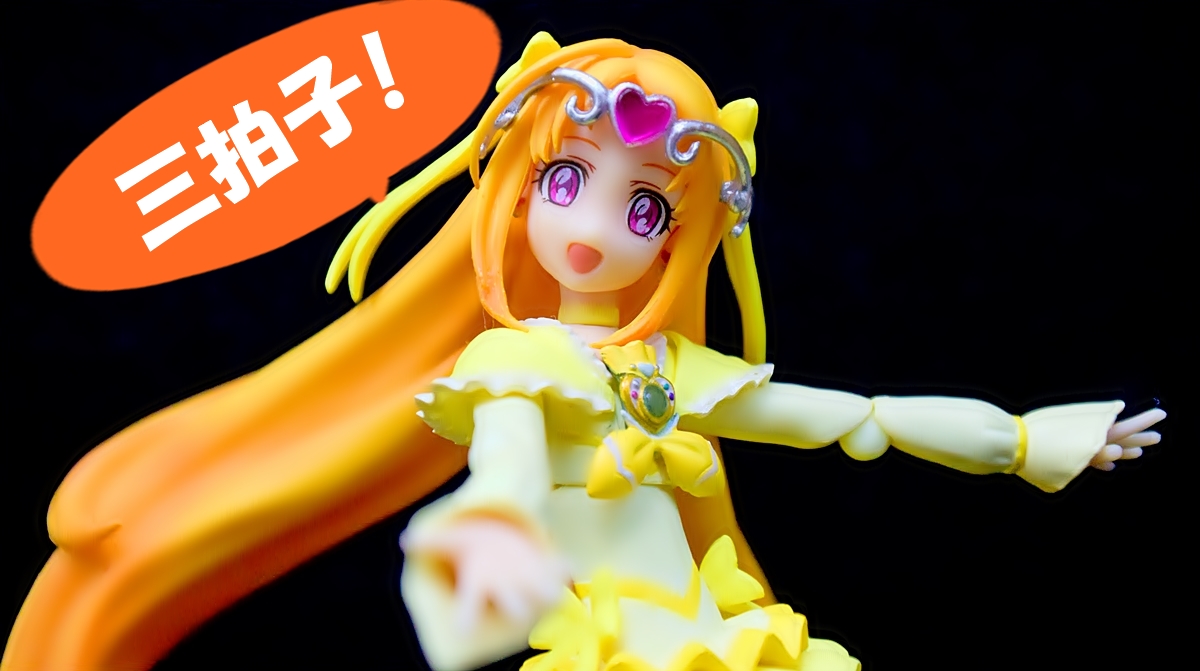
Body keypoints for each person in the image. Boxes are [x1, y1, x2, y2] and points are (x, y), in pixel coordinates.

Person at [2, 32, 1163, 671]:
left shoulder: (672, 375)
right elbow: (505, 463)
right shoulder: (516, 365)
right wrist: (486, 538)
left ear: (681, 235)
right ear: (520, 191)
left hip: (718, 642)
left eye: (645, 207)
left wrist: (1032, 440)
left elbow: (854, 419)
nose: (599, 228)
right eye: (568, 181)